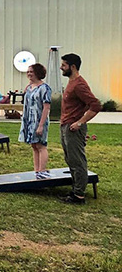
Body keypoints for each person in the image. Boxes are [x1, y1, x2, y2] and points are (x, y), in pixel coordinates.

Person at [58, 53, 101, 204]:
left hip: (74, 128)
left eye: (63, 65)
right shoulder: (71, 82)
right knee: (70, 159)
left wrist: (80, 122)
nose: (61, 67)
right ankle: (75, 190)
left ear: (73, 67)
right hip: (66, 126)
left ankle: (79, 196)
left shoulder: (79, 84)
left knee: (77, 161)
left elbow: (95, 105)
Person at [18, 63, 52, 180]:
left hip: (39, 120)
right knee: (33, 145)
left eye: (31, 72)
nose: (29, 74)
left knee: (41, 145)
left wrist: (41, 125)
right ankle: (36, 170)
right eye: (28, 72)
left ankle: (42, 170)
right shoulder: (29, 87)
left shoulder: (45, 88)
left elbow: (46, 107)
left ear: (37, 73)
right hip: (29, 120)